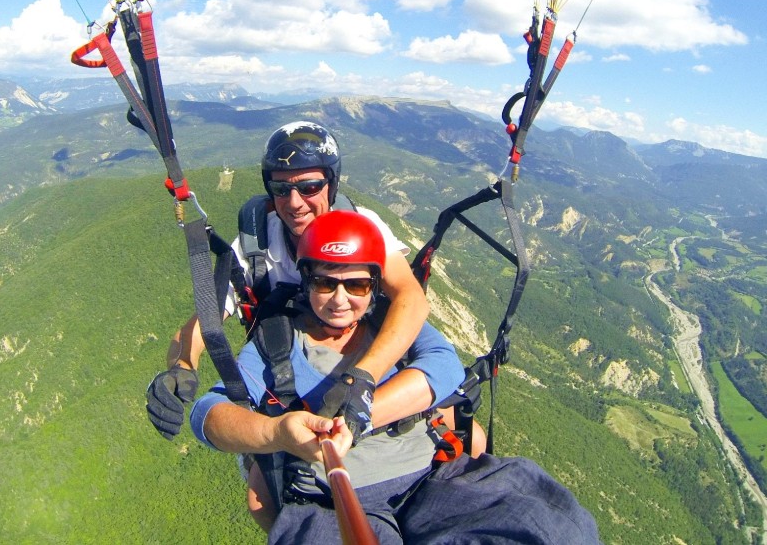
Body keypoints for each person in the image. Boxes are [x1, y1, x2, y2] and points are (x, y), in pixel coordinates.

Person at [190, 211, 602, 544]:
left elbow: (443, 366)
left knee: (549, 526)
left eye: (356, 284)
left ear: (374, 286)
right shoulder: (278, 342)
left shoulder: (394, 326)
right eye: (324, 282)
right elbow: (208, 413)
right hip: (331, 502)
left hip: (431, 479)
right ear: (305, 280)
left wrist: (360, 411)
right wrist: (278, 432)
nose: (340, 299)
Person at [147, 121, 430, 440]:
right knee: (259, 490)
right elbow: (205, 321)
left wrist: (363, 378)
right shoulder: (258, 244)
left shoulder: (361, 229)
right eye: (281, 189)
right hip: (286, 379)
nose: (294, 203)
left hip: (360, 359)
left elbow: (411, 298)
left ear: (330, 184)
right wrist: (181, 367)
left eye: (309, 187)